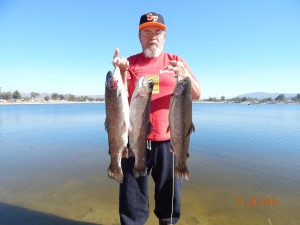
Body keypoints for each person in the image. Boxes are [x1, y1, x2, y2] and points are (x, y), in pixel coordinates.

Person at [112, 12, 201, 225]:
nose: (152, 36)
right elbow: (119, 98)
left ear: (164, 36)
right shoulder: (130, 63)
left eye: (157, 32)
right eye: (147, 32)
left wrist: (184, 75)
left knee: (169, 203)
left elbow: (197, 94)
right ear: (139, 37)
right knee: (131, 202)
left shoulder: (176, 61)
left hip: (170, 142)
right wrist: (121, 71)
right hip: (134, 141)